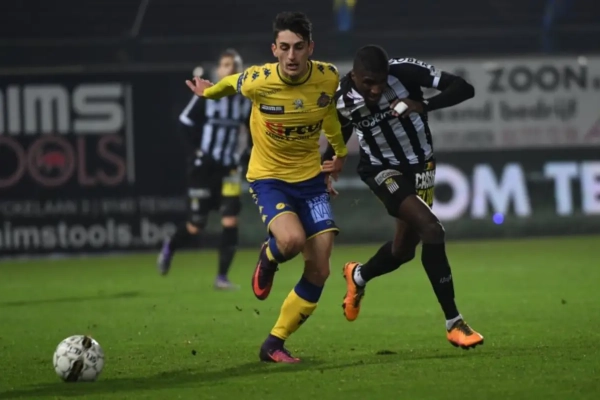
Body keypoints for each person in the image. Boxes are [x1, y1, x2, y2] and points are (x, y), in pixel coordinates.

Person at [185, 12, 347, 362]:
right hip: (270, 179)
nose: (291, 55)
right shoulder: (259, 80)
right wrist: (208, 92)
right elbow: (230, 83)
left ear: (310, 48)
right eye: (284, 47)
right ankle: (269, 256)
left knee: (321, 268)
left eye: (298, 47)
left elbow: (330, 116)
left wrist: (340, 154)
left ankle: (273, 343)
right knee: (291, 241)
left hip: (311, 181)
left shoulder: (328, 76)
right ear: (274, 49)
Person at [322, 45, 484, 349]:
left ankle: (358, 276)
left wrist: (422, 104)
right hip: (381, 169)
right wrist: (330, 165)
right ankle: (454, 322)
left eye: (381, 81)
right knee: (432, 229)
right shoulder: (342, 98)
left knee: (403, 250)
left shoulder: (405, 71)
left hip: (422, 167)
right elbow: (340, 131)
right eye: (368, 82)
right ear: (354, 75)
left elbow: (464, 88)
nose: (376, 89)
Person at [157, 49, 252, 290]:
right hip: (204, 169)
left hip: (229, 168)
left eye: (234, 65)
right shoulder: (208, 94)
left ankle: (222, 277)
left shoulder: (245, 101)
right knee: (196, 225)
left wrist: (247, 154)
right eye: (226, 64)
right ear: (219, 70)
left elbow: (253, 130)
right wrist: (197, 152)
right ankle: (170, 245)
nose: (230, 69)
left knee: (230, 220)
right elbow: (185, 122)